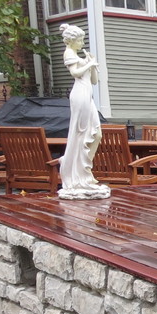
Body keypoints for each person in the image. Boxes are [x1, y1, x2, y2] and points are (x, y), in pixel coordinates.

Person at [58, 24, 110, 199]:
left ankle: (85, 172)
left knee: (97, 135)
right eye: (79, 40)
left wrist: (93, 65)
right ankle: (75, 175)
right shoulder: (69, 53)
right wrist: (88, 64)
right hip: (79, 96)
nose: (82, 42)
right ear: (71, 40)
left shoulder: (81, 55)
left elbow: (94, 81)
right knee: (81, 135)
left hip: (88, 96)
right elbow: (75, 73)